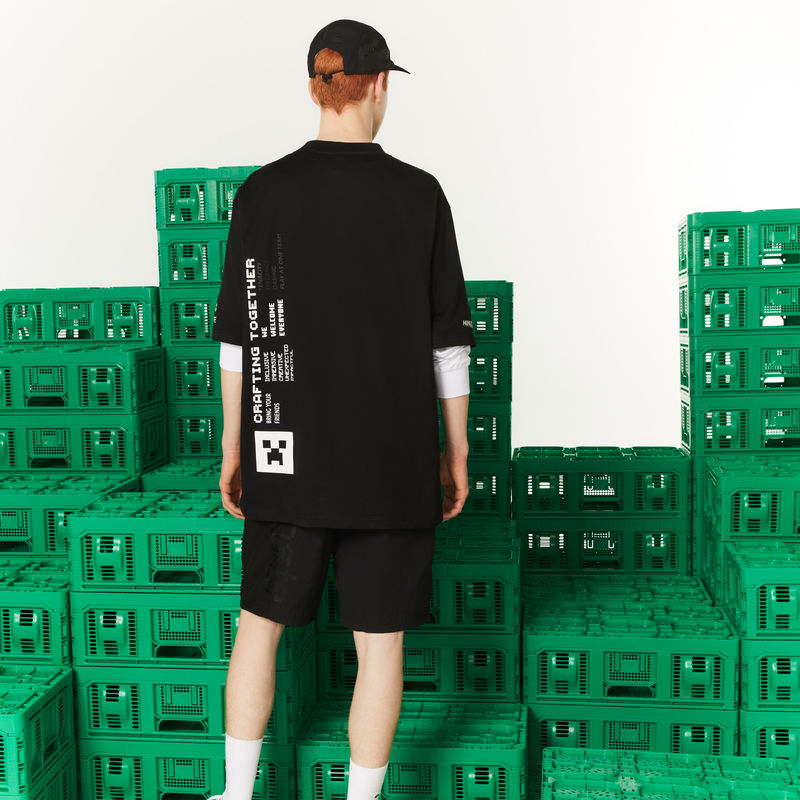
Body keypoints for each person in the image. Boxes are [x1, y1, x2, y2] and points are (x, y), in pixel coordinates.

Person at [208, 19, 476, 800]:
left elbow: (240, 338)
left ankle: (236, 795)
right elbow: (448, 343)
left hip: (284, 451)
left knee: (259, 625)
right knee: (379, 646)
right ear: (380, 84)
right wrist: (455, 451)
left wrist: (234, 445)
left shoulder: (264, 192)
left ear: (315, 87)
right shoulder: (420, 195)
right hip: (391, 464)